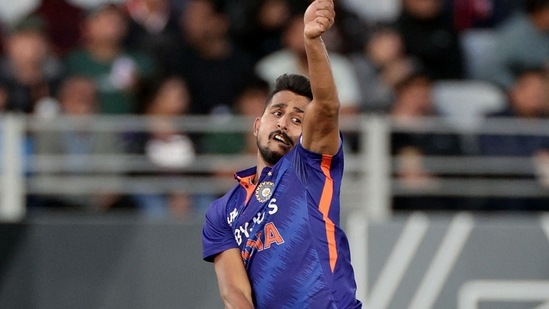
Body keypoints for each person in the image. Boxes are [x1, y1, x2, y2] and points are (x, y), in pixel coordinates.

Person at [202, 1, 362, 308]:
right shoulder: (221, 212)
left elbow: (327, 108)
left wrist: (312, 41)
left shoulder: (310, 167)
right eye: (277, 112)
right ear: (257, 125)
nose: (284, 122)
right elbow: (235, 292)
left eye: (298, 119)